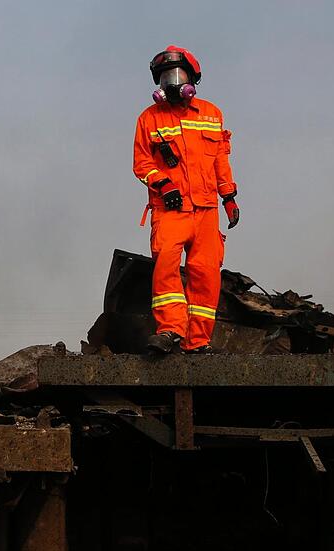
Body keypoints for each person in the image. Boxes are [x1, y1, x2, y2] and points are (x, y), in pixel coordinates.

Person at [133, 45, 239, 354]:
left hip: (206, 210)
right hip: (170, 210)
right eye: (166, 77)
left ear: (192, 78)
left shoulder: (211, 114)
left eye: (178, 75)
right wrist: (163, 184)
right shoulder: (148, 119)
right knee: (166, 269)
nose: (173, 82)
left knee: (205, 275)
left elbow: (220, 160)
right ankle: (170, 332)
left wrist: (229, 196)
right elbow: (141, 163)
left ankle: (198, 341)